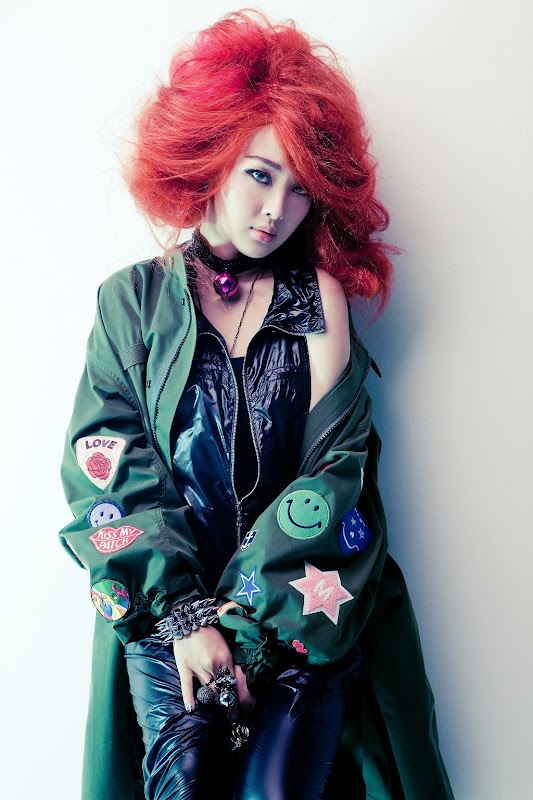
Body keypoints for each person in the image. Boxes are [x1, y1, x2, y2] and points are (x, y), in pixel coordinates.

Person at [59, 9, 455, 800]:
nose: (277, 209)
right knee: (186, 783)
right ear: (210, 154)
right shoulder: (131, 302)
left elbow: (334, 477)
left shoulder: (319, 300)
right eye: (261, 174)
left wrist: (240, 629)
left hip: (300, 614)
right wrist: (186, 620)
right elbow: (109, 472)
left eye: (301, 190)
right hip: (167, 621)